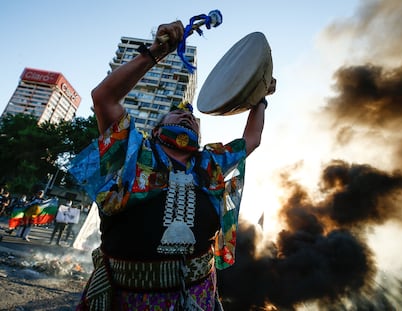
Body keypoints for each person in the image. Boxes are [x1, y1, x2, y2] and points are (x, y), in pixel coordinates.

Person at [70, 20, 276, 311]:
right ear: (156, 129)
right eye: (176, 113)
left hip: (198, 296)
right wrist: (156, 51)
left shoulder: (209, 164)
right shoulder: (133, 152)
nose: (186, 113)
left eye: (192, 117)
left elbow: (251, 139)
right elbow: (104, 98)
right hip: (126, 298)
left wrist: (260, 98)